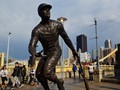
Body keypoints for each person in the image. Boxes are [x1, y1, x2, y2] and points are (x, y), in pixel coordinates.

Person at [28, 3, 79, 90]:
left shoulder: (57, 25)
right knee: (39, 75)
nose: (48, 11)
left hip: (56, 51)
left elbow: (66, 38)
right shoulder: (37, 30)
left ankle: (59, 82)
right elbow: (31, 46)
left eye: (49, 9)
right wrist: (33, 54)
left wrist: (74, 51)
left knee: (47, 73)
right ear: (40, 13)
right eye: (45, 9)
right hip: (46, 54)